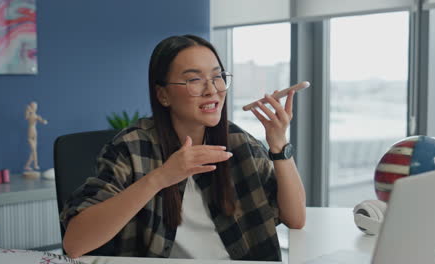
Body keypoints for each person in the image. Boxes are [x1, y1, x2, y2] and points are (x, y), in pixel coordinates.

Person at [60, 35, 306, 261]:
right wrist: (161, 177)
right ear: (163, 95)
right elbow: (75, 244)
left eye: (217, 76)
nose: (212, 90)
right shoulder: (130, 148)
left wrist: (278, 143)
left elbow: (294, 219)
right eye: (194, 80)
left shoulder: (239, 143)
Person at [24, 101, 47, 171]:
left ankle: (27, 166)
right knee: (34, 151)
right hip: (30, 132)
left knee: (34, 151)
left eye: (35, 107)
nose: (35, 108)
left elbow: (43, 121)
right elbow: (26, 117)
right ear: (31, 107)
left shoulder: (36, 115)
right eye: (33, 106)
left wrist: (43, 121)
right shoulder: (29, 115)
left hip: (35, 132)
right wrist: (27, 110)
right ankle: (35, 165)